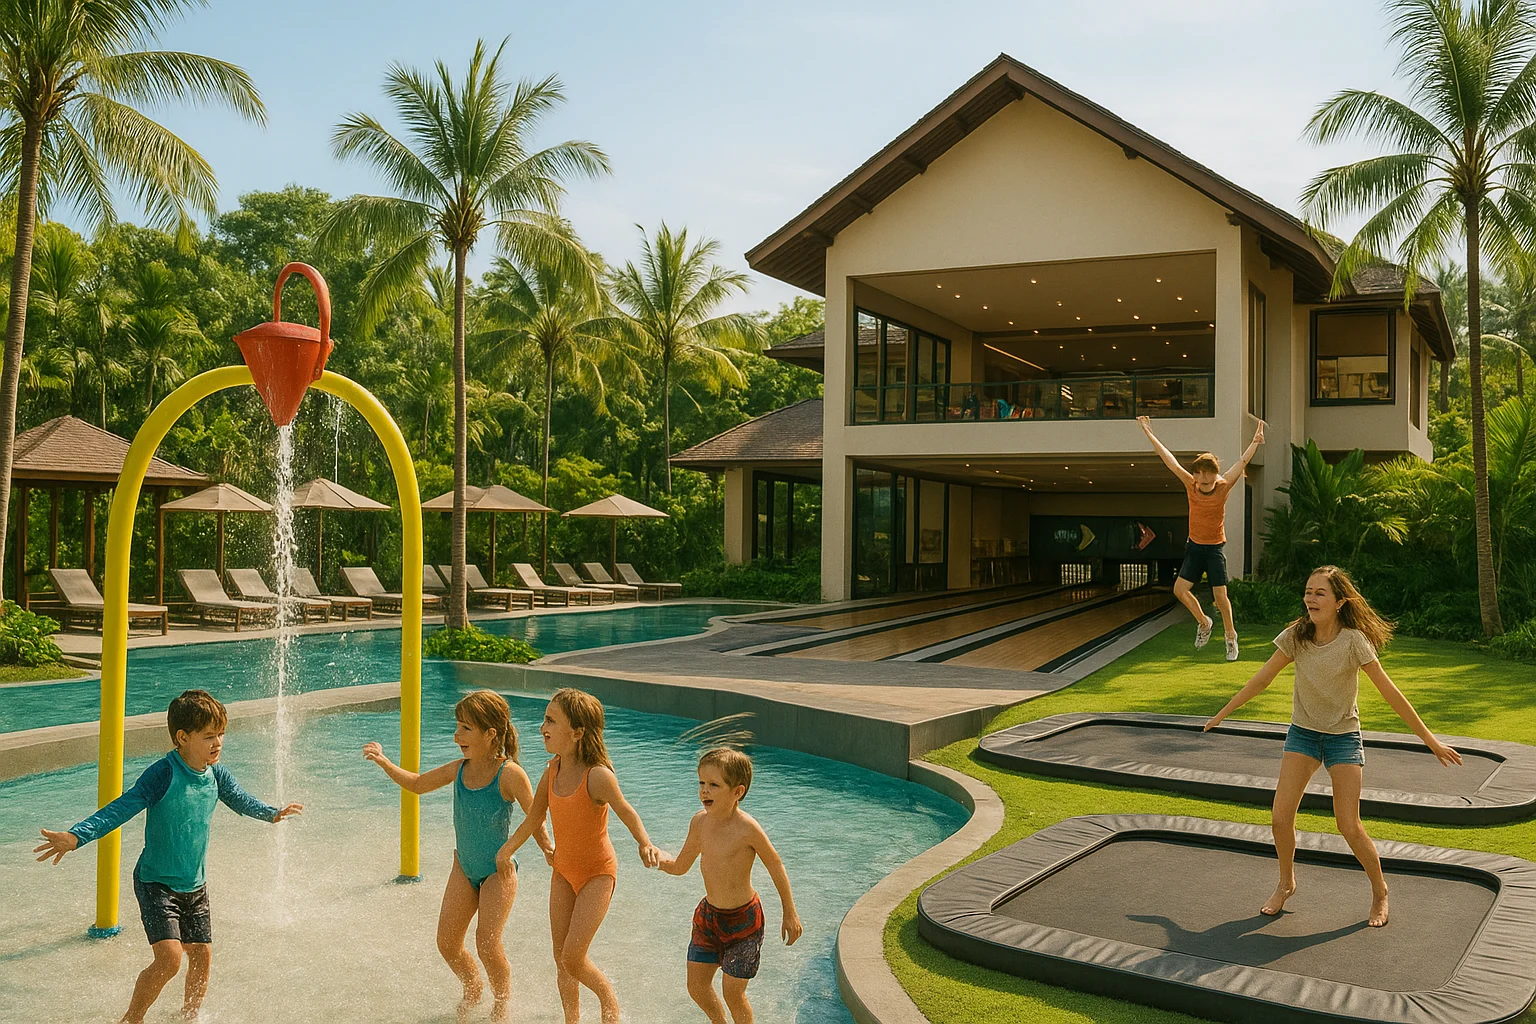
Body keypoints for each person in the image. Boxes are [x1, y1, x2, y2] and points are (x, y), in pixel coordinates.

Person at [1203, 566, 1461, 926]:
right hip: (1303, 734)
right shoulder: (1296, 636)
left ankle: (1380, 890)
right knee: (1280, 817)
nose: (1310, 598)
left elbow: (1390, 693)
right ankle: (1286, 883)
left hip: (1343, 737)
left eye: (1319, 593)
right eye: (1308, 591)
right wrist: (1222, 713)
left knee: (1348, 825)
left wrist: (1430, 740)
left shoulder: (1354, 641)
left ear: (1339, 601)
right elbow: (1262, 679)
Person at [33, 690, 301, 1024]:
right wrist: (77, 835)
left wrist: (272, 813)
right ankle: (132, 1018)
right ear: (182, 737)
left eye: (221, 735)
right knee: (170, 960)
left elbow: (241, 800)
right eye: (209, 736)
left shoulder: (217, 775)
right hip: (156, 882)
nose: (218, 743)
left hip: (195, 884)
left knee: (202, 956)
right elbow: (123, 807)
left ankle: (189, 1016)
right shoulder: (163, 774)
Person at [364, 690, 548, 1024]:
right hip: (464, 867)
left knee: (488, 944)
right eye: (458, 726)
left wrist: (548, 849)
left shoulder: (509, 774)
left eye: (465, 728)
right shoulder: (459, 769)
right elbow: (418, 784)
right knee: (447, 943)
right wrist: (384, 761)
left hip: (497, 873)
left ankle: (502, 1002)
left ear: (490, 733)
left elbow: (535, 815)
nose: (457, 735)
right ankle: (473, 986)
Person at [498, 688, 660, 1024]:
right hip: (563, 872)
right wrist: (508, 849)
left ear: (577, 733)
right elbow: (534, 817)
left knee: (574, 956)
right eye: (545, 718)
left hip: (597, 875)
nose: (543, 726)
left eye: (551, 720)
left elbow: (626, 811)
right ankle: (572, 1020)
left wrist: (644, 842)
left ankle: (608, 1002)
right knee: (561, 958)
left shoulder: (597, 776)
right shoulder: (552, 770)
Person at [658, 748, 802, 1024]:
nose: (704, 791)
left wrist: (790, 912)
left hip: (743, 923)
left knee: (733, 994)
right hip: (709, 918)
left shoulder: (747, 828)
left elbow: (775, 865)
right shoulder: (699, 823)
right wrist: (658, 859)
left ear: (737, 792)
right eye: (701, 783)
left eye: (714, 785)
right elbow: (680, 866)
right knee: (697, 986)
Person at [1138, 414, 1265, 660]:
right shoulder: (1190, 484)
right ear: (1195, 475)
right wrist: (1149, 433)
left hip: (1214, 549)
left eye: (1209, 475)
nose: (1204, 480)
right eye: (1200, 474)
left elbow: (1242, 461)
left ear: (1215, 475)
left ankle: (1230, 636)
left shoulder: (1224, 485)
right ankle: (1204, 623)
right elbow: (1170, 462)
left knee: (1220, 596)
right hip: (1194, 548)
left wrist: (1256, 441)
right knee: (1179, 590)